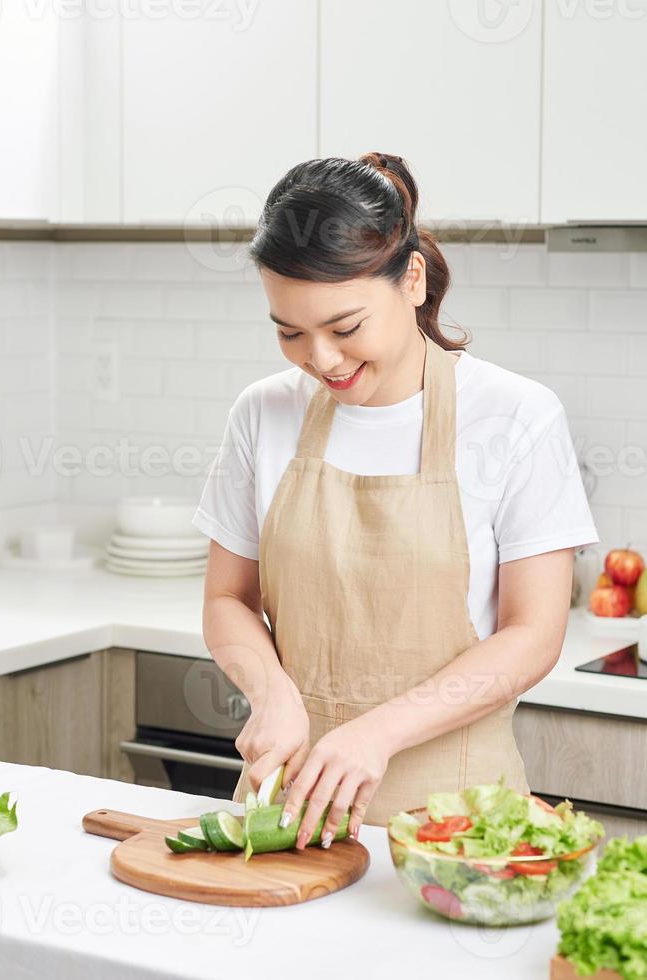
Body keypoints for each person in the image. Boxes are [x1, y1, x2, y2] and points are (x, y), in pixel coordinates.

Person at [194, 152, 597, 850]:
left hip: (459, 834)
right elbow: (227, 598)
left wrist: (375, 734)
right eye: (290, 332)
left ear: (411, 280)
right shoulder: (263, 413)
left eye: (345, 328)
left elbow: (532, 633)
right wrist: (271, 692)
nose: (321, 359)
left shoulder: (514, 415)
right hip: (285, 820)